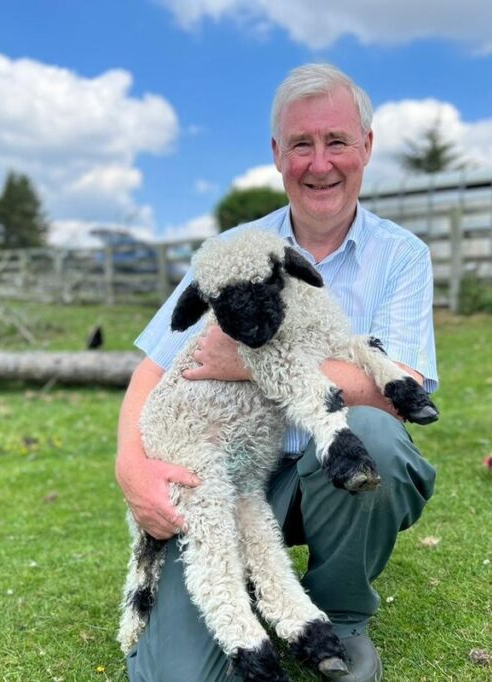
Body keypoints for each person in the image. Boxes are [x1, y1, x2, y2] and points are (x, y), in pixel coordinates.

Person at [116, 63, 438, 682]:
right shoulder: (231, 252)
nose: (319, 163)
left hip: (322, 472)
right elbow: (149, 370)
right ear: (277, 154)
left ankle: (340, 617)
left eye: (337, 141)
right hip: (217, 475)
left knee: (375, 438)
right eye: (301, 144)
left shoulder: (401, 256)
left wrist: (248, 362)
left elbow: (403, 390)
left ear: (366, 146)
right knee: (177, 675)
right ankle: (237, 606)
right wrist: (132, 467)